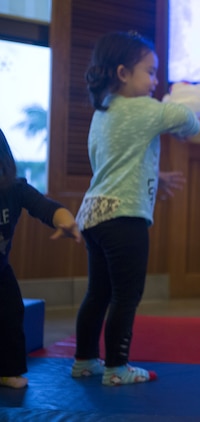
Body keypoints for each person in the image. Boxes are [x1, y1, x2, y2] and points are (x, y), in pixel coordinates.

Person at [71, 31, 200, 386]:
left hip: (93, 214)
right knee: (126, 295)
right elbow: (188, 123)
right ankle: (116, 368)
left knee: (97, 292)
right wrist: (191, 101)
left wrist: (153, 177)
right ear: (123, 73)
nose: (155, 80)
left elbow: (115, 161)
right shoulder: (145, 108)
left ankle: (84, 360)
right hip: (125, 218)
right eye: (151, 71)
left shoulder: (104, 110)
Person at [0, 128, 81, 389]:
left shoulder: (14, 189)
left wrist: (64, 219)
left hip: (1, 270)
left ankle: (8, 370)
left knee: (12, 312)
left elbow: (43, 206)